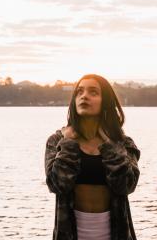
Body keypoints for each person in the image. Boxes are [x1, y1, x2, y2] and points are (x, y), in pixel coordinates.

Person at [44, 74, 141, 240]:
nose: (84, 96)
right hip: (70, 234)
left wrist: (109, 145)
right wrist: (69, 143)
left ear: (106, 102)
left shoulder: (123, 143)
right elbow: (57, 185)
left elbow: (126, 185)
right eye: (79, 92)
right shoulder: (58, 141)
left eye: (93, 92)